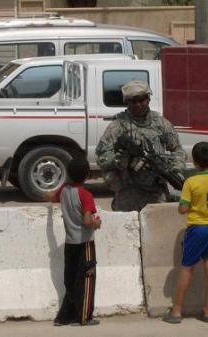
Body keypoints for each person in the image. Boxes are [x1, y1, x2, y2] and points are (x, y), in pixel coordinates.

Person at [163, 142, 208, 324]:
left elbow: (183, 209)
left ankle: (177, 310)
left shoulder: (191, 182)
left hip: (197, 229)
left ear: (194, 161)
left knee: (187, 268)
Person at [96, 80, 186, 212]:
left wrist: (174, 169)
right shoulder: (118, 125)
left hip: (156, 191)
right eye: (133, 101)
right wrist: (118, 160)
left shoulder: (161, 123)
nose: (138, 104)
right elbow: (101, 157)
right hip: (128, 192)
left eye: (142, 100)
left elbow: (178, 150)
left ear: (148, 99)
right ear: (127, 102)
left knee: (156, 229)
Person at [44, 156, 102, 326]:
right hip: (85, 243)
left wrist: (43, 193)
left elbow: (50, 196)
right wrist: (96, 223)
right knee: (86, 280)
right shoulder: (86, 195)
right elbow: (86, 221)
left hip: (70, 243)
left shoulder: (64, 190)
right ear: (87, 175)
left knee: (70, 281)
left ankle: (63, 317)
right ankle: (83, 317)